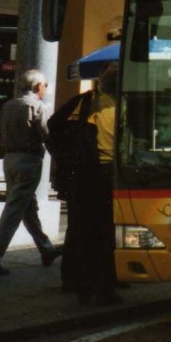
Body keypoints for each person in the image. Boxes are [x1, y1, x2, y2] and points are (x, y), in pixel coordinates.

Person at [0, 69, 62, 275]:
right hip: (29, 159)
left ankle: (46, 248)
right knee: (14, 210)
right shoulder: (37, 106)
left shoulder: (8, 105)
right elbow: (48, 136)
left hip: (9, 159)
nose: (46, 89)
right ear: (37, 87)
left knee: (27, 206)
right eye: (45, 85)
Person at [52, 64, 120, 305]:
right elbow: (54, 129)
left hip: (99, 173)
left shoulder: (102, 103)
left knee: (88, 230)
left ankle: (87, 283)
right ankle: (94, 286)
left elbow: (53, 129)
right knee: (99, 232)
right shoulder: (86, 102)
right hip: (95, 173)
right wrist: (66, 157)